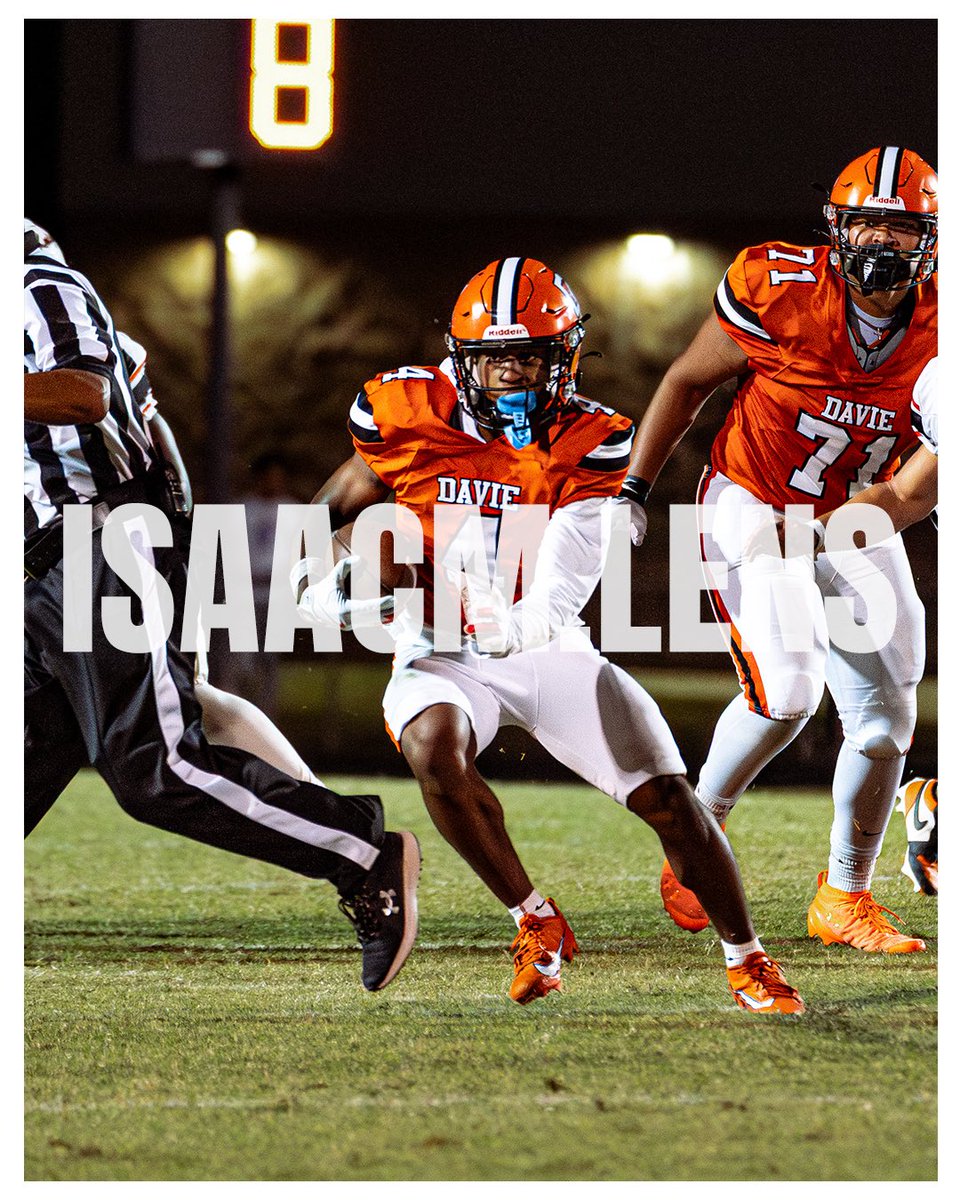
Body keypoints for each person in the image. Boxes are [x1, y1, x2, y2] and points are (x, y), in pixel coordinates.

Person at [294, 256, 804, 1013]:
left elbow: (560, 592)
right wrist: (326, 572)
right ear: (462, 361)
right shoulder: (404, 409)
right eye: (496, 361)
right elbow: (337, 505)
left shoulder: (593, 440)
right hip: (437, 647)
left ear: (565, 356)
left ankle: (747, 957)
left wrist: (503, 623)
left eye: (531, 358)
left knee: (669, 799)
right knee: (435, 746)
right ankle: (533, 920)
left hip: (543, 640)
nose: (514, 377)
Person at [23, 219, 419, 992]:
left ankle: (361, 853)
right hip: (47, 573)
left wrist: (158, 558)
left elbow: (83, 392)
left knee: (156, 766)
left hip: (92, 549)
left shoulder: (37, 286)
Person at [619, 147, 937, 953]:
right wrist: (633, 488)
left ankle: (845, 895)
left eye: (902, 228)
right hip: (752, 501)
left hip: (859, 513)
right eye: (867, 222)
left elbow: (913, 491)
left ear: (932, 239)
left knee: (885, 717)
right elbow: (687, 383)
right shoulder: (779, 287)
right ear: (835, 226)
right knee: (788, 692)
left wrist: (837, 531)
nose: (882, 243)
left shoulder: (946, 325)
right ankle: (698, 834)